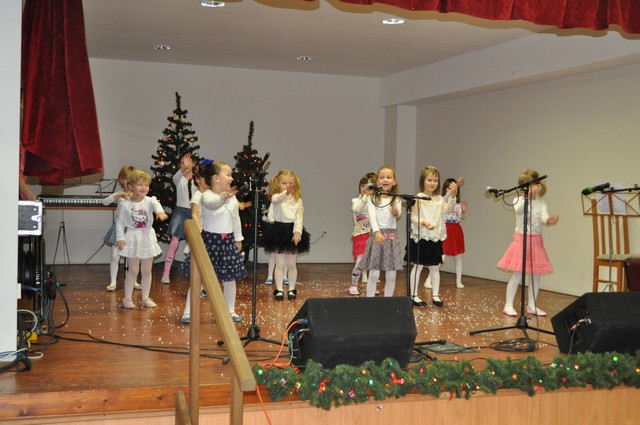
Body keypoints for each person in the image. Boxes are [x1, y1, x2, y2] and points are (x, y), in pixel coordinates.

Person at [181, 160, 246, 323]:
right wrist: (224, 197)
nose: (231, 178)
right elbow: (213, 205)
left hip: (227, 242)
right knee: (199, 279)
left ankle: (229, 310)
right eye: (228, 175)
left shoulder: (232, 199)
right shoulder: (206, 195)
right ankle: (188, 311)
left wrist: (238, 238)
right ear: (216, 178)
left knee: (230, 279)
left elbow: (236, 219)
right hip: (210, 242)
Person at [498, 169, 558, 317]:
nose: (535, 188)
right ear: (524, 187)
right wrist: (527, 198)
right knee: (517, 274)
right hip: (521, 241)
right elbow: (519, 211)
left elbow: (543, 217)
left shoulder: (541, 203)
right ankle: (508, 305)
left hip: (536, 242)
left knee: (536, 275)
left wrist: (549, 220)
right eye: (531, 185)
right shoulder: (517, 200)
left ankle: (532, 305)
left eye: (536, 184)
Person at [115, 169, 168, 309]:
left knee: (146, 270)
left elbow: (157, 206)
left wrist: (160, 212)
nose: (144, 187)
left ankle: (145, 298)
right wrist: (120, 238)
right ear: (130, 186)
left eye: (146, 185)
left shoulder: (150, 201)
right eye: (140, 185)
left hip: (147, 237)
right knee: (133, 270)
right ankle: (127, 299)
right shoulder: (125, 204)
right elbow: (119, 222)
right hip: (132, 237)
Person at [406, 166, 458, 307]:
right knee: (418, 266)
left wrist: (453, 195)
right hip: (421, 237)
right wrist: (424, 223)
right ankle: (413, 295)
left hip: (434, 238)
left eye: (435, 180)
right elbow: (414, 217)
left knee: (435, 267)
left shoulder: (439, 199)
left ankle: (435, 295)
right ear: (423, 181)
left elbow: (448, 210)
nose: (432, 183)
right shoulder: (418, 198)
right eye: (429, 180)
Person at [263, 169, 310, 301]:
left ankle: (291, 289)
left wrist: (297, 232)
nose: (288, 186)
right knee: (279, 263)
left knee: (291, 264)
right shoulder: (276, 198)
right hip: (278, 231)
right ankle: (279, 289)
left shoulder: (298, 200)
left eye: (291, 183)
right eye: (284, 183)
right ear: (278, 184)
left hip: (292, 231)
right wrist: (285, 193)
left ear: (295, 184)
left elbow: (299, 218)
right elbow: (277, 199)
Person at [358, 166, 403, 298]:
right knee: (374, 273)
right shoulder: (372, 198)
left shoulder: (396, 199)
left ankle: (388, 301)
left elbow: (398, 214)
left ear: (394, 181)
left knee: (391, 274)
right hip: (377, 236)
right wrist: (377, 232)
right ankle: (370, 300)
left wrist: (395, 212)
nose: (385, 180)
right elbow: (372, 216)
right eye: (382, 177)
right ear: (377, 181)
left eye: (388, 177)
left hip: (391, 237)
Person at [103, 165, 142, 292]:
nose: (127, 181)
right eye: (125, 178)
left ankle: (134, 280)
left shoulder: (137, 194)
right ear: (121, 179)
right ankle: (113, 282)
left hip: (132, 229)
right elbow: (105, 202)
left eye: (130, 179)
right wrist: (118, 196)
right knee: (115, 256)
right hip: (119, 228)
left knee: (133, 257)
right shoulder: (119, 194)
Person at [424, 177, 467, 290]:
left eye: (454, 188)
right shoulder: (442, 201)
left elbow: (462, 217)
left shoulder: (459, 203)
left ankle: (458, 281)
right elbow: (446, 197)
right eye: (449, 188)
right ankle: (428, 280)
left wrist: (464, 211)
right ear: (445, 189)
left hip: (456, 230)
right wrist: (456, 185)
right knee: (441, 257)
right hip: (445, 229)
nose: (451, 190)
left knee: (458, 257)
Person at [161, 152, 195, 284]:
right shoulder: (178, 179)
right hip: (180, 211)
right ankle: (166, 273)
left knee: (194, 243)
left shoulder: (198, 179)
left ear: (193, 164)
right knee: (174, 241)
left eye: (187, 161)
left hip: (194, 212)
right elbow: (176, 176)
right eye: (181, 162)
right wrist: (183, 168)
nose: (184, 164)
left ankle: (194, 272)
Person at [348, 172, 376, 295]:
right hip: (360, 235)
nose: (365, 188)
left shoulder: (375, 202)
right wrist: (365, 197)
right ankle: (354, 284)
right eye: (363, 186)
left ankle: (372, 286)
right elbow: (357, 209)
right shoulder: (356, 200)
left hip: (373, 235)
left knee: (373, 263)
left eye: (369, 186)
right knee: (360, 261)